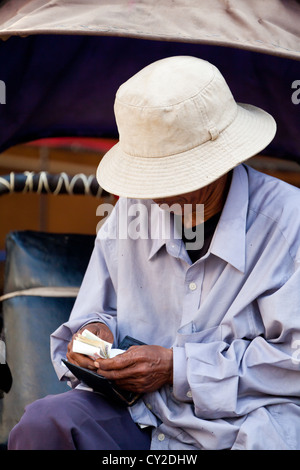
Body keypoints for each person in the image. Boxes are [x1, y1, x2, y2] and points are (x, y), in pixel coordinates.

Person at [8, 56, 300, 450]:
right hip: (144, 416)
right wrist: (94, 335)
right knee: (45, 424)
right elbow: (96, 312)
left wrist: (177, 367)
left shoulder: (288, 222)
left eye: (171, 177)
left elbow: (292, 362)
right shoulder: (133, 207)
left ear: (220, 165)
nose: (154, 195)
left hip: (245, 427)